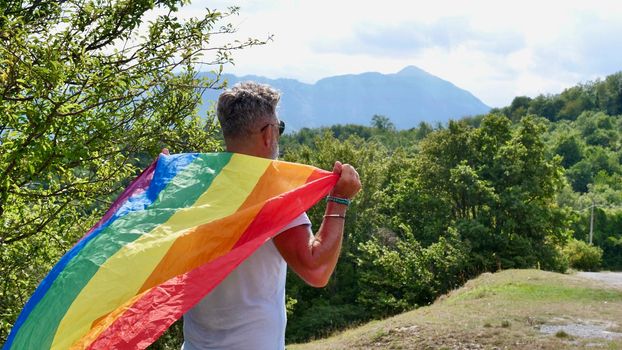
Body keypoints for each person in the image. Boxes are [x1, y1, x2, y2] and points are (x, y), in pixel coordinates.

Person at [180, 81, 361, 350]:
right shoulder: (269, 192)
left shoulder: (193, 183)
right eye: (280, 129)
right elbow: (316, 270)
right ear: (268, 134)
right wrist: (339, 199)